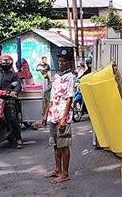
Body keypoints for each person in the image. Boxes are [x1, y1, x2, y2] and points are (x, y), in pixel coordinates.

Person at [42, 49, 76, 183]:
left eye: (63, 61)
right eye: (59, 61)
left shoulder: (71, 77)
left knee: (64, 145)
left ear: (69, 63)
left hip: (63, 116)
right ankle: (57, 169)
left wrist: (64, 118)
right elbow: (51, 97)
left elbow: (69, 99)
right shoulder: (56, 76)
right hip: (53, 115)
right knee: (55, 144)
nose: (60, 63)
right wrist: (45, 115)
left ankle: (65, 173)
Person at [0, 54, 23, 149]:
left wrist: (14, 91)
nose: (5, 64)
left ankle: (18, 139)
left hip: (8, 99)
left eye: (7, 62)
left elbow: (18, 85)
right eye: (3, 62)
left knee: (12, 118)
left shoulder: (13, 75)